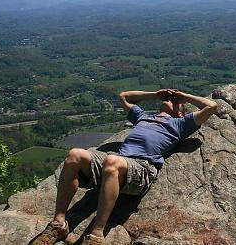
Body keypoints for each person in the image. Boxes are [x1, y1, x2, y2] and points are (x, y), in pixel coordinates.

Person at [30, 88, 217, 245]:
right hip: (119, 162)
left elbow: (211, 106)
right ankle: (59, 224)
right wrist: (154, 94)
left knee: (112, 162)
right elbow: (123, 96)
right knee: (74, 155)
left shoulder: (180, 124)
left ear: (180, 112)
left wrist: (184, 97)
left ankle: (96, 234)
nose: (171, 99)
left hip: (142, 168)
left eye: (175, 102)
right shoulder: (143, 117)